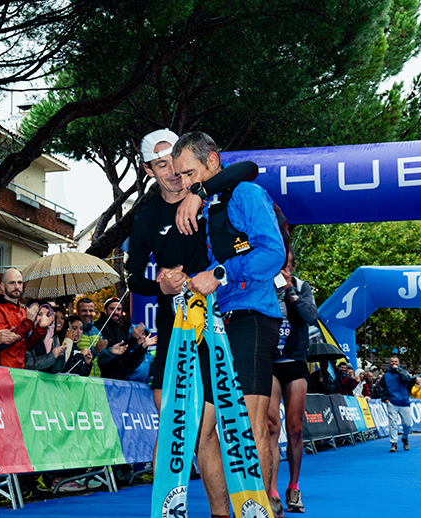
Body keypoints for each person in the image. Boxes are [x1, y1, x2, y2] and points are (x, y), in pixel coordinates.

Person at [128, 128, 258, 518]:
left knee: (205, 433)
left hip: (219, 328)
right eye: (162, 164)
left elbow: (249, 167)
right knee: (179, 434)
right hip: (175, 331)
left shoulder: (209, 190)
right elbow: (134, 279)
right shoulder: (147, 216)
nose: (172, 173)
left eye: (177, 164)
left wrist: (199, 195)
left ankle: (231, 509)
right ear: (150, 169)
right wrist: (161, 286)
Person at [174, 132, 285, 512]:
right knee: (202, 432)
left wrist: (218, 274)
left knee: (249, 430)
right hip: (216, 325)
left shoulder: (246, 194)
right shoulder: (205, 206)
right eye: (180, 177)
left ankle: (260, 508)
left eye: (189, 173)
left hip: (253, 318)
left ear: (213, 160)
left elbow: (273, 253)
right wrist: (185, 279)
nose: (186, 183)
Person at [266, 248, 317, 514]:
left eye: (287, 266)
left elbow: (311, 316)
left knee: (295, 428)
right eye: (279, 266)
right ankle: (271, 490)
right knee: (272, 426)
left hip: (295, 362)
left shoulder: (300, 287)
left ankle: (294, 486)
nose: (283, 271)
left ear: (293, 267)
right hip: (270, 362)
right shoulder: (263, 284)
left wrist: (290, 293)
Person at [94, 297, 154, 380]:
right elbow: (117, 351)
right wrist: (133, 339)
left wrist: (143, 346)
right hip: (105, 379)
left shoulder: (119, 331)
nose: (116, 312)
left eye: (118, 309)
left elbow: (126, 359)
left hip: (118, 381)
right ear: (105, 310)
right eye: (112, 309)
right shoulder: (100, 327)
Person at [0, 268, 38, 368]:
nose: (17, 286)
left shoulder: (23, 310)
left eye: (20, 283)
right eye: (12, 283)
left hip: (21, 368)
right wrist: (28, 322)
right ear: (2, 286)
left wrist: (41, 328)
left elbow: (28, 345)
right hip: (4, 369)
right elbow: (5, 340)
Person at [373, 356, 412, 453]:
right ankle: (393, 443)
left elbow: (407, 380)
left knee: (407, 424)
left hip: (404, 402)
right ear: (389, 363)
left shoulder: (403, 372)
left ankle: (404, 438)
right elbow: (381, 388)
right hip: (392, 403)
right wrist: (385, 399)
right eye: (392, 361)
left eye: (395, 361)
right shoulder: (386, 376)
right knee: (393, 423)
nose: (393, 363)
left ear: (398, 363)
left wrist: (398, 371)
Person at [24, 301, 67, 373]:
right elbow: (28, 365)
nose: (43, 318)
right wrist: (52, 356)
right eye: (39, 314)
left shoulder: (51, 336)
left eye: (47, 315)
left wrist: (60, 355)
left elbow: (56, 369)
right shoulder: (26, 335)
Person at [74, 297, 109, 376]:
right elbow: (73, 360)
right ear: (77, 312)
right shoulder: (71, 330)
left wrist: (111, 352)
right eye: (84, 310)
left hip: (95, 380)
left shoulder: (96, 330)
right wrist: (95, 350)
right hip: (78, 379)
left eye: (91, 311)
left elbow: (101, 358)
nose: (88, 314)